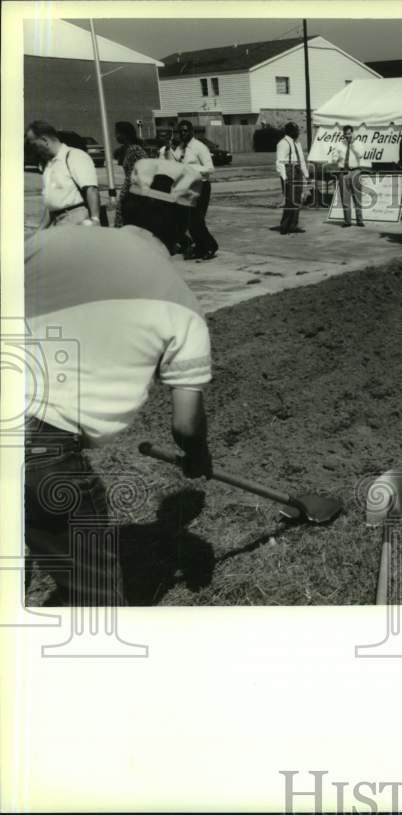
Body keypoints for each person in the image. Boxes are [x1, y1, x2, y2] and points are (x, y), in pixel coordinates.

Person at [23, 157, 213, 606]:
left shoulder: (51, 241)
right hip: (41, 448)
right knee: (96, 607)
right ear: (186, 223)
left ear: (123, 205)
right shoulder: (183, 307)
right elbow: (186, 426)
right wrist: (197, 454)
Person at [25, 121, 102, 229]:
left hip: (75, 218)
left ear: (44, 140)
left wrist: (95, 219)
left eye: (34, 144)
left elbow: (91, 189)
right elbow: (53, 202)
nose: (34, 149)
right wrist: (40, 230)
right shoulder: (49, 164)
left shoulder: (75, 156)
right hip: (56, 220)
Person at [171, 119, 218, 260]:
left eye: (185, 131)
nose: (183, 133)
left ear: (192, 132)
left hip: (201, 186)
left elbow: (210, 169)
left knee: (197, 219)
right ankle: (200, 247)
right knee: (189, 221)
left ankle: (210, 246)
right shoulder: (180, 148)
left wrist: (191, 168)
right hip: (187, 187)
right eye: (180, 131)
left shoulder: (200, 147)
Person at [275, 122, 310, 234]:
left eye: (298, 130)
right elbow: (280, 162)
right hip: (289, 172)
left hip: (297, 170)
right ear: (289, 131)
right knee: (290, 201)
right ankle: (284, 226)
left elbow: (302, 160)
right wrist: (285, 178)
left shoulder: (297, 143)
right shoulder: (283, 143)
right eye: (295, 130)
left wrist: (306, 174)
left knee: (297, 200)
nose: (298, 133)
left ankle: (293, 225)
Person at [113, 121, 148, 228]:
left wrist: (126, 196)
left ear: (124, 134)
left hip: (134, 195)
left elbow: (138, 175)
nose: (115, 136)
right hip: (130, 193)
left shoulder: (135, 150)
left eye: (117, 133)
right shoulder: (129, 149)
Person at [330, 125, 365, 227]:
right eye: (345, 134)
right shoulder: (339, 144)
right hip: (343, 172)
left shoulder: (358, 143)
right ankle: (347, 221)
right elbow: (334, 157)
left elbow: (360, 155)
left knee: (357, 197)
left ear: (352, 133)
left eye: (349, 134)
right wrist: (335, 158)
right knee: (345, 197)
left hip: (355, 171)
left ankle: (359, 220)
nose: (347, 136)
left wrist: (352, 145)